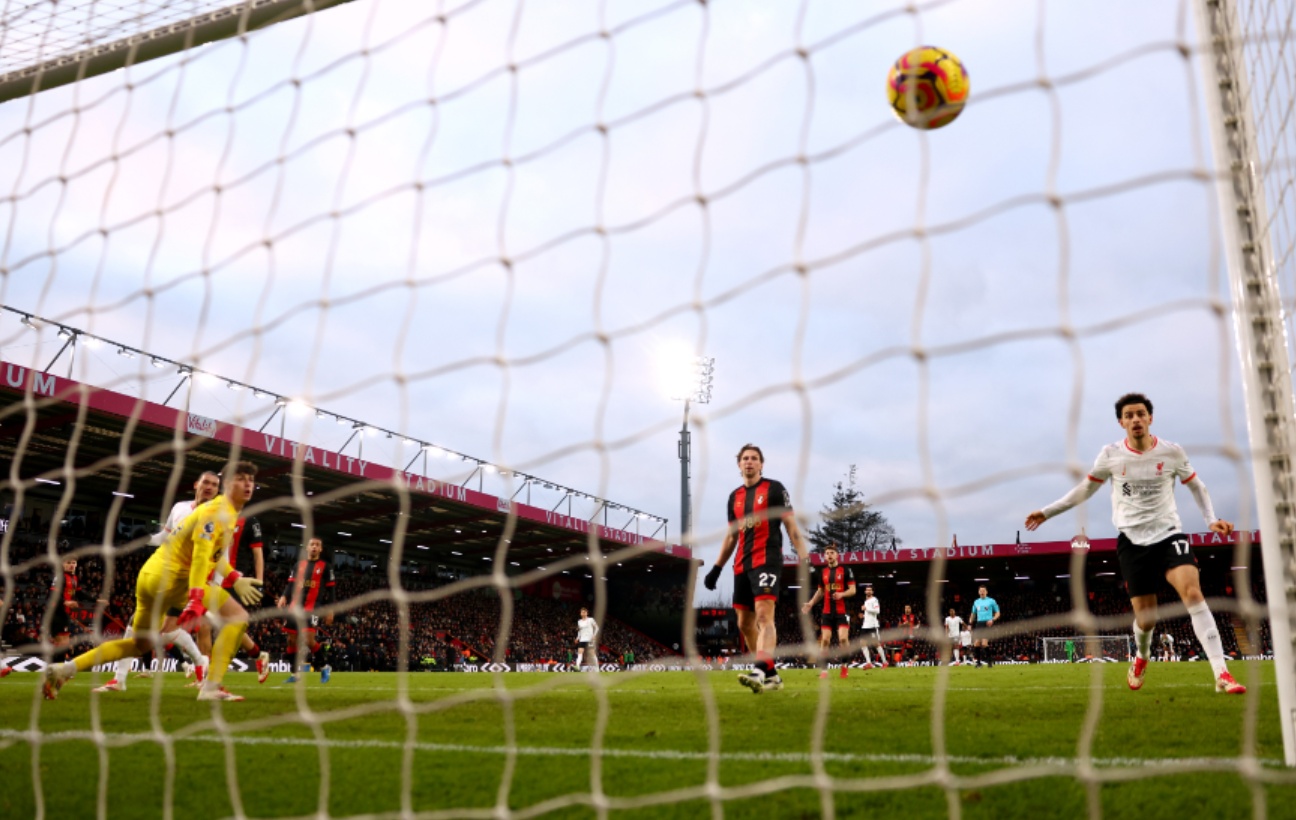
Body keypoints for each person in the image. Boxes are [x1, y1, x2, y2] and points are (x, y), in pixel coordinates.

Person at [1025, 392, 1245, 694]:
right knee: (1146, 618)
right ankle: (1141, 656)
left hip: (1169, 534)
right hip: (1132, 541)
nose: (1135, 419)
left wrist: (1210, 520)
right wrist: (1047, 512)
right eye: (1129, 415)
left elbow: (1196, 485)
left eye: (1140, 414)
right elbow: (1085, 490)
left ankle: (1222, 673)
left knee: (1193, 593)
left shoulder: (1171, 452)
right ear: (1121, 422)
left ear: (1150, 418)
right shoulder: (1111, 455)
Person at [44, 461, 265, 702]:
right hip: (175, 580)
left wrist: (234, 578)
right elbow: (201, 556)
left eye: (251, 480)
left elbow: (210, 555)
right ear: (228, 483)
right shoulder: (216, 512)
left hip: (150, 576)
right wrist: (195, 598)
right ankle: (211, 687)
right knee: (237, 617)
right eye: (241, 478)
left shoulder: (226, 512)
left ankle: (64, 670)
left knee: (139, 645)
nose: (248, 484)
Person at [702, 444, 809, 694]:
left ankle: (759, 669)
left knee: (764, 616)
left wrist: (804, 558)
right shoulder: (734, 497)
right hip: (741, 564)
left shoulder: (774, 489)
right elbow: (731, 537)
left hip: (767, 559)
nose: (749, 462)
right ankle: (771, 675)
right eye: (745, 458)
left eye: (754, 458)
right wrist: (716, 568)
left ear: (762, 464)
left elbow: (791, 527)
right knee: (743, 624)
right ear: (738, 464)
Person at [96, 472, 217, 693]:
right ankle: (198, 661)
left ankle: (120, 679)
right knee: (160, 630)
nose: (209, 487)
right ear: (196, 485)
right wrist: (148, 539)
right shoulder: (180, 508)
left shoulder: (215, 518)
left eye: (214, 485)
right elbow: (166, 537)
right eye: (206, 483)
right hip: (164, 575)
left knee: (150, 628)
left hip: (187, 582)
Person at [196, 513, 271, 685]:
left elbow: (258, 553)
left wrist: (259, 582)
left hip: (235, 580)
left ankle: (256, 656)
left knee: (225, 626)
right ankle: (204, 676)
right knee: (203, 624)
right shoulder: (212, 515)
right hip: (210, 577)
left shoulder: (250, 520)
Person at [276, 537, 336, 684]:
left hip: (312, 607)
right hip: (294, 606)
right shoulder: (298, 565)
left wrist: (331, 610)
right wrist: (284, 596)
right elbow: (290, 584)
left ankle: (324, 667)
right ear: (307, 548)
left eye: (317, 545)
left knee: (308, 640)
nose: (314, 547)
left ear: (320, 549)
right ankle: (295, 674)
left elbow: (332, 590)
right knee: (291, 640)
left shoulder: (326, 567)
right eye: (312, 545)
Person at [800, 544, 855, 679]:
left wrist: (841, 594)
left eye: (832, 553)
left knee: (843, 639)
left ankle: (844, 667)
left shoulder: (846, 570)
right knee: (825, 640)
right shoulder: (823, 572)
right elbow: (820, 591)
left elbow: (853, 590)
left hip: (842, 611)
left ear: (837, 555)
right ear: (824, 556)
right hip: (827, 611)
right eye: (827, 553)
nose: (829, 555)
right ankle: (824, 671)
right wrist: (811, 603)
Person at [968, 586, 999, 667]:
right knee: (976, 644)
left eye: (983, 591)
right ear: (978, 592)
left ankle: (989, 661)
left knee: (984, 644)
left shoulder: (991, 601)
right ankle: (978, 663)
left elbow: (998, 613)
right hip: (979, 624)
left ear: (986, 592)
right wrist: (970, 624)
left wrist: (992, 619)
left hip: (987, 623)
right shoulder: (976, 602)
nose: (982, 592)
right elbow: (973, 614)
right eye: (980, 591)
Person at [859, 585, 887, 669]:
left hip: (872, 625)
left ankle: (885, 662)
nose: (868, 591)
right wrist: (863, 616)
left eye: (870, 590)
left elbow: (877, 611)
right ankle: (869, 663)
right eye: (867, 590)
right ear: (865, 592)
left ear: (872, 592)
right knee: (862, 643)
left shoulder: (874, 600)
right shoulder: (866, 601)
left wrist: (866, 608)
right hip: (865, 625)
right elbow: (869, 613)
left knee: (876, 644)